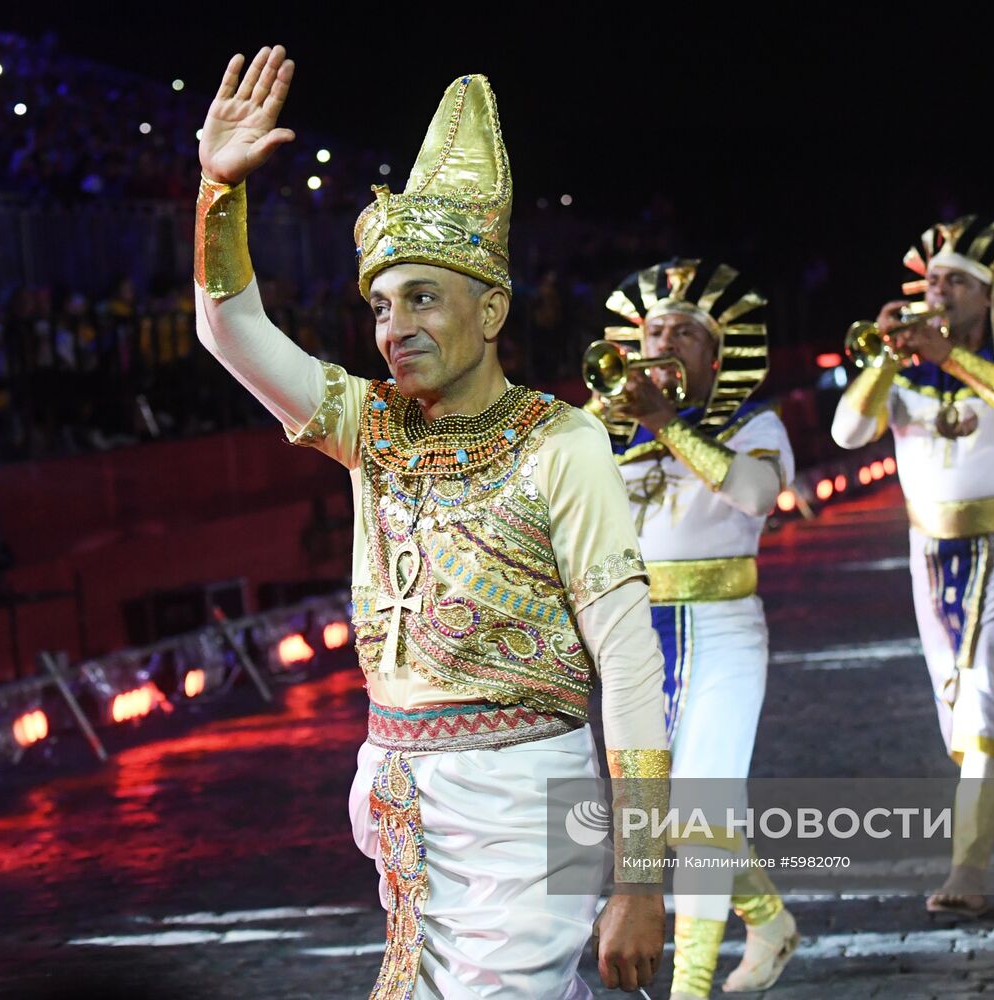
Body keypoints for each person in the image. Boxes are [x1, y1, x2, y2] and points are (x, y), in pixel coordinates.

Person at [193, 46, 668, 996]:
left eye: (422, 297)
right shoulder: (368, 426)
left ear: (491, 307)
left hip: (534, 797)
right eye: (378, 303)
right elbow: (229, 330)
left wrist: (647, 875)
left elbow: (628, 658)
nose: (393, 325)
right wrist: (217, 193)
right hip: (401, 799)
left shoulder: (560, 440)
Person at [831, 217, 994, 916]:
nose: (938, 292)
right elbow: (847, 433)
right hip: (931, 556)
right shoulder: (902, 370)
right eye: (933, 280)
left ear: (990, 296)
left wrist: (953, 357)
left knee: (990, 691)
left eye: (956, 282)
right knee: (959, 716)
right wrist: (882, 360)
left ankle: (967, 866)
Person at [587, 260, 798, 997]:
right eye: (654, 330)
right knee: (661, 814)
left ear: (716, 356)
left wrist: (664, 423)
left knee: (703, 810)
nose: (665, 341)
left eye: (685, 332)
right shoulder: (606, 431)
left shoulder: (755, 423)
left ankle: (691, 986)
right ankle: (769, 922)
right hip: (636, 639)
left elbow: (757, 495)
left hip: (726, 629)